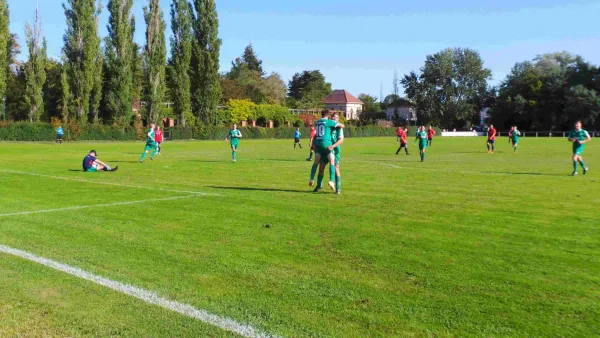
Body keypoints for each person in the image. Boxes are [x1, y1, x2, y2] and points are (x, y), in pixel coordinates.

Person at [309, 110, 344, 191]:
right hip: (326, 148)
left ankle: (337, 188)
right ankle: (319, 185)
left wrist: (333, 146)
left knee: (336, 167)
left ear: (338, 119)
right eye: (333, 117)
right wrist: (313, 144)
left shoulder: (338, 128)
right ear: (330, 117)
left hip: (334, 149)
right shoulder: (328, 124)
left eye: (336, 117)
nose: (334, 118)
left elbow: (341, 140)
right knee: (321, 167)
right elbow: (316, 136)